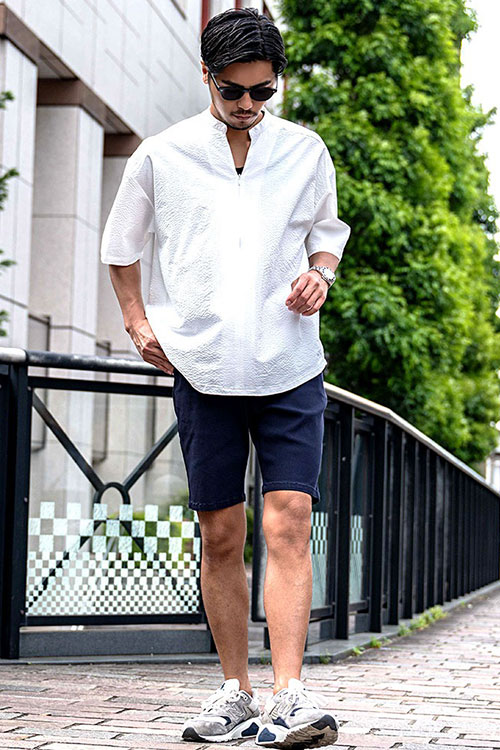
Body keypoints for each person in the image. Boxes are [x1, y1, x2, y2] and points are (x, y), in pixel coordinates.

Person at [100, 7, 350, 747]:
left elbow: (326, 236)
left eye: (263, 91)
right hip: (203, 367)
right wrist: (138, 322)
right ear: (206, 76)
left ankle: (291, 695)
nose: (248, 104)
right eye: (234, 90)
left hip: (289, 363)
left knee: (290, 519)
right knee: (221, 532)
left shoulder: (304, 151)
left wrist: (320, 275)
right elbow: (121, 247)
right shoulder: (162, 155)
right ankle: (236, 692)